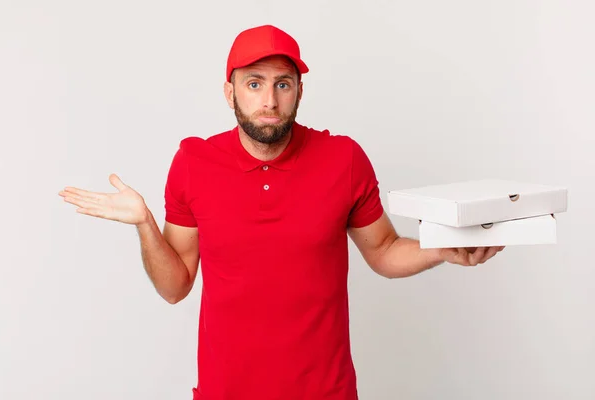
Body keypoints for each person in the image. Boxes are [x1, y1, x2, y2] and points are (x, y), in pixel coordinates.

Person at [59, 25, 503, 400]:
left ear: (299, 92)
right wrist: (145, 224)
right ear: (229, 91)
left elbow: (384, 250)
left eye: (282, 83)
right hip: (225, 390)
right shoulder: (193, 163)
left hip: (325, 391)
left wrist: (441, 249)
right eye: (254, 83)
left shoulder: (342, 159)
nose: (269, 100)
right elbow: (175, 287)